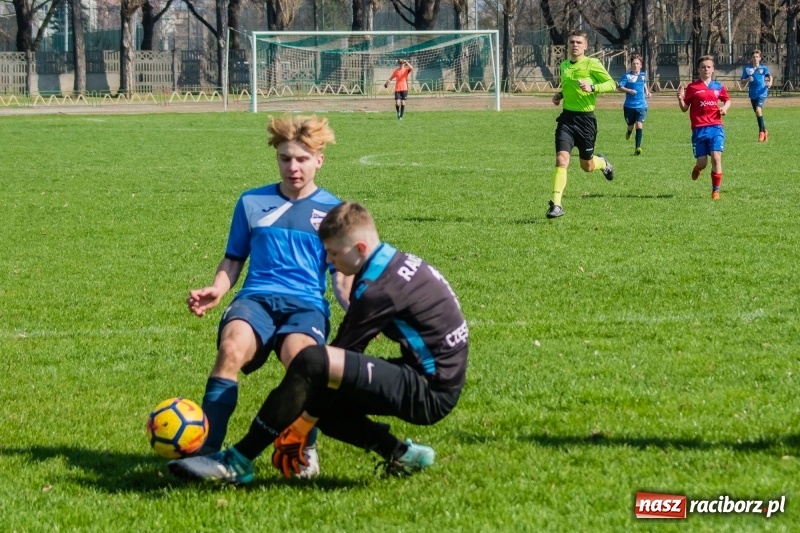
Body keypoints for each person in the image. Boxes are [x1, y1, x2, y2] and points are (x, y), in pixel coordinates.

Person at [168, 201, 469, 483]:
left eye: (334, 253)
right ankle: (403, 455)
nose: (328, 260)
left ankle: (237, 461)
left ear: (359, 248)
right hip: (430, 375)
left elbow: (331, 361)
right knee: (324, 400)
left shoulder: (378, 290)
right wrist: (308, 416)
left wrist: (300, 426)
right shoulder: (394, 261)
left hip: (431, 391)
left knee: (313, 362)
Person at [186, 114, 352, 478]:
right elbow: (234, 258)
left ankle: (303, 447)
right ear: (276, 157)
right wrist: (217, 287)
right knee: (231, 349)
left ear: (319, 160)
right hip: (257, 299)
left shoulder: (334, 212)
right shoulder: (251, 202)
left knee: (302, 362)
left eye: (302, 159)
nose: (293, 167)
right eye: (285, 158)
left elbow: (341, 274)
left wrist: (355, 307)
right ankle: (208, 451)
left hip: (306, 305)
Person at [547, 30, 618, 219]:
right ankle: (557, 204)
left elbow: (611, 84)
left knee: (586, 166)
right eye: (571, 42)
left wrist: (593, 87)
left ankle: (603, 163)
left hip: (586, 121)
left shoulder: (592, 64)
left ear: (585, 46)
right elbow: (568, 85)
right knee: (561, 159)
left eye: (579, 42)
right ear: (568, 45)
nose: (575, 45)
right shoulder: (563, 65)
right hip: (567, 120)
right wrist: (560, 95)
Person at [678, 55, 732, 201]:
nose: (706, 69)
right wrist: (680, 99)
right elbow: (684, 108)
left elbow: (727, 100)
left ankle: (715, 191)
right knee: (702, 162)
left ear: (713, 69)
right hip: (699, 129)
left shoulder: (718, 86)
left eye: (709, 67)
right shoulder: (692, 87)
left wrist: (725, 108)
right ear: (698, 69)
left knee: (716, 157)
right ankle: (698, 168)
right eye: (703, 67)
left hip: (716, 127)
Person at [617, 53, 651, 155]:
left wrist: (647, 92)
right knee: (630, 126)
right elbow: (619, 87)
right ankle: (628, 132)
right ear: (631, 65)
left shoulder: (643, 75)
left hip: (642, 106)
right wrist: (629, 90)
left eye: (637, 63)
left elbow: (644, 84)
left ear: (641, 65)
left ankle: (637, 148)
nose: (635, 65)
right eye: (633, 63)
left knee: (639, 125)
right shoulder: (627, 76)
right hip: (629, 106)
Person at [740, 49, 772, 142]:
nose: (755, 58)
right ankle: (765, 131)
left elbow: (770, 76)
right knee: (758, 113)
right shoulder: (747, 69)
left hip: (762, 92)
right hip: (752, 94)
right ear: (751, 58)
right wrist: (747, 79)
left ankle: (761, 132)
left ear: (760, 58)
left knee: (758, 110)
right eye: (754, 57)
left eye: (757, 57)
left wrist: (770, 82)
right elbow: (741, 81)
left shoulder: (763, 68)